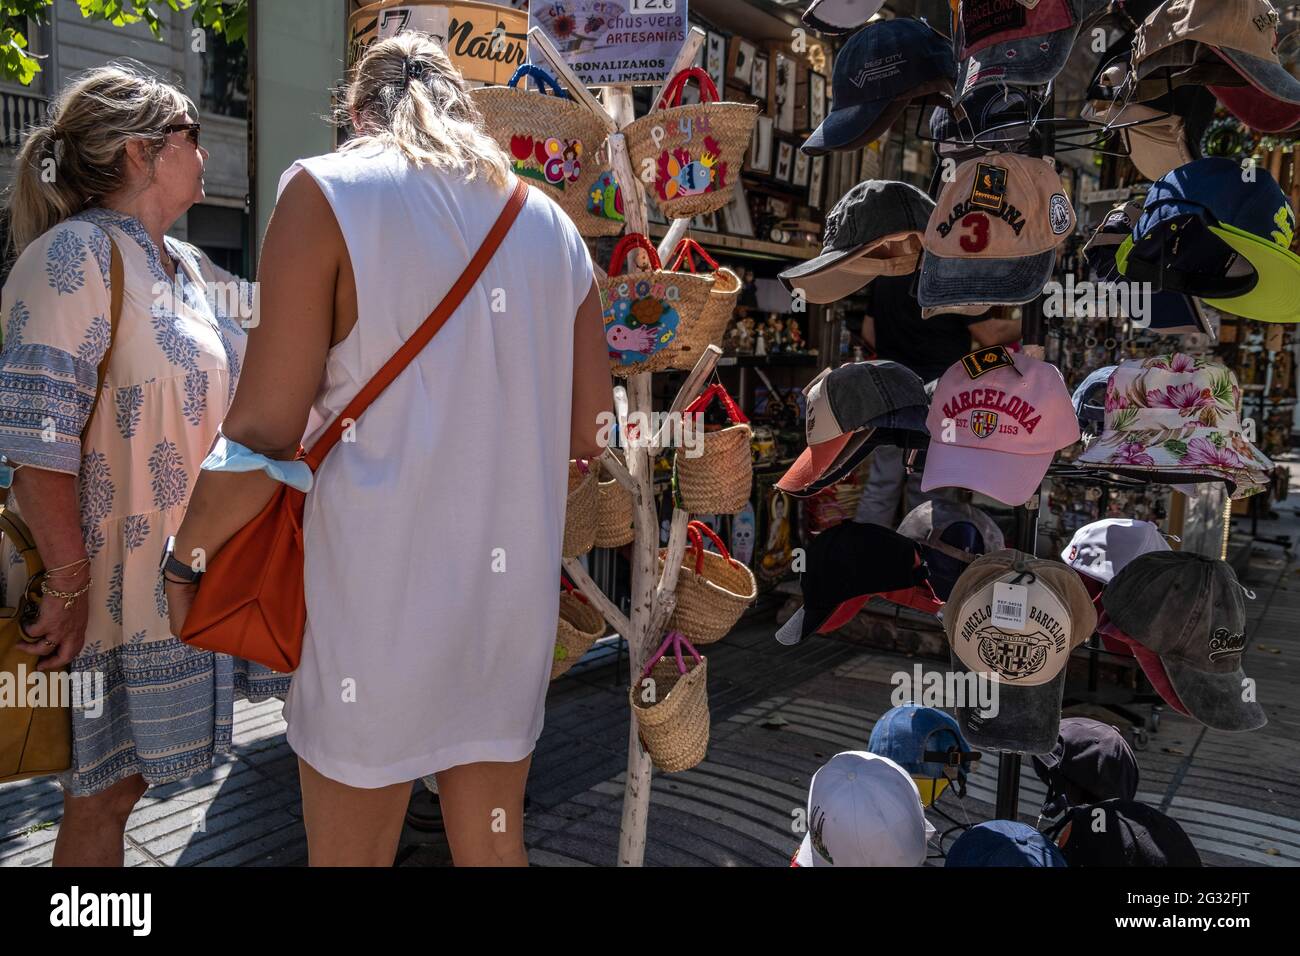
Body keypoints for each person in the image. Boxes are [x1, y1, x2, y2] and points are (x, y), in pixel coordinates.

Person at [165, 32, 611, 867]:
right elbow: (591, 436)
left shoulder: (325, 193)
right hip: (503, 610)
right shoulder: (553, 228)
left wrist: (184, 558)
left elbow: (261, 435)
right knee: (493, 848)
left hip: (370, 602)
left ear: (357, 115)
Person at [0, 63, 287, 865]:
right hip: (100, 598)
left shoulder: (188, 267)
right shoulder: (71, 259)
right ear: (141, 152)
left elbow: (291, 334)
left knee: (117, 794)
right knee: (98, 799)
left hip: (175, 583)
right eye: (192, 132)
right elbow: (35, 441)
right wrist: (64, 584)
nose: (204, 149)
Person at [851, 271, 1022, 527]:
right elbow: (990, 335)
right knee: (928, 489)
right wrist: (1032, 321)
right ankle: (923, 561)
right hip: (939, 393)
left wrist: (901, 348)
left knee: (882, 483)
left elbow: (868, 331)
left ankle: (865, 559)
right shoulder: (953, 277)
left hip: (889, 386)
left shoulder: (887, 274)